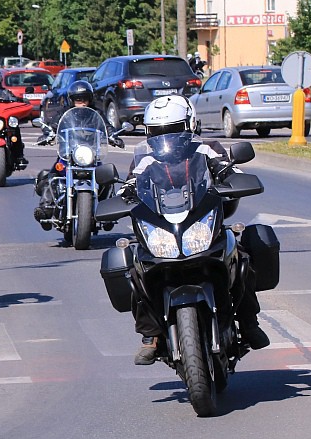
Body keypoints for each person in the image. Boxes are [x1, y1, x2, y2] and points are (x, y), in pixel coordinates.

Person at [124, 95, 270, 364]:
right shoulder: (144, 161)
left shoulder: (206, 149)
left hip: (202, 223)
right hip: (164, 228)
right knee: (135, 268)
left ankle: (249, 321)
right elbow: (129, 186)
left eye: (173, 129)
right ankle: (150, 335)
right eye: (157, 132)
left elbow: (228, 170)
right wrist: (121, 195)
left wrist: (232, 178)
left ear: (189, 124)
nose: (166, 137)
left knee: (241, 255)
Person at [32, 79, 120, 225]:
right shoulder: (65, 113)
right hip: (68, 154)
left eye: (85, 99)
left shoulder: (95, 113)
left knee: (107, 176)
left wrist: (113, 135)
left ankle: (107, 211)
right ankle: (46, 207)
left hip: (91, 155)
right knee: (53, 174)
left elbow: (106, 126)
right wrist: (48, 132)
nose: (82, 102)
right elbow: (54, 125)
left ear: (90, 99)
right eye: (78, 99)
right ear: (71, 100)